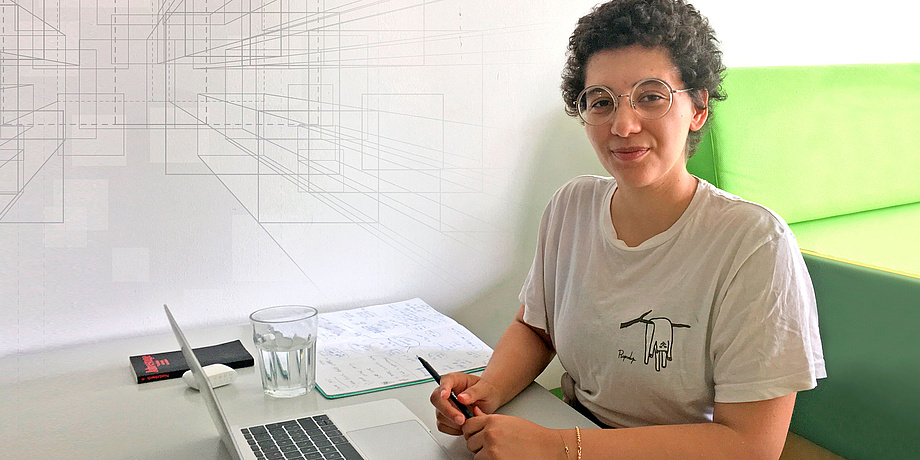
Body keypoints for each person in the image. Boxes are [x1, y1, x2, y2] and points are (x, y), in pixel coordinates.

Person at [429, 0, 827, 459]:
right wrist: (487, 391)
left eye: (651, 96)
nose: (623, 124)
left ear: (698, 108)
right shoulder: (570, 206)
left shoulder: (754, 244)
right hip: (570, 428)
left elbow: (751, 444)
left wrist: (560, 448)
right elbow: (536, 327)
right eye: (601, 101)